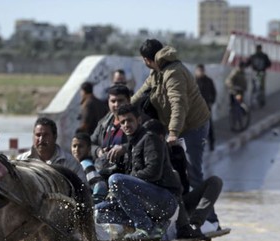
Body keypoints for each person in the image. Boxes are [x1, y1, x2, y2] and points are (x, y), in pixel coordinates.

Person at [131, 39, 211, 191]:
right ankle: (185, 210)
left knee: (193, 173)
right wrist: (123, 110)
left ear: (147, 60)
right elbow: (141, 93)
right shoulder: (157, 72)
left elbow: (178, 104)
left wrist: (173, 132)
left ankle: (208, 214)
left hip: (194, 126)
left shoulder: (173, 72)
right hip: (178, 126)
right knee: (176, 171)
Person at [96, 104, 183, 241]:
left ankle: (145, 227)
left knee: (116, 180)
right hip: (146, 201)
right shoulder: (131, 144)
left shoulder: (150, 139)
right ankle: (152, 225)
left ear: (139, 120)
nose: (126, 125)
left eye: (130, 120)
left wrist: (124, 181)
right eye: (123, 122)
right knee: (99, 211)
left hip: (165, 200)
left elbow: (153, 172)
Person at [17, 116, 86, 182]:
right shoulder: (21, 161)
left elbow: (83, 189)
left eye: (45, 135)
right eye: (38, 135)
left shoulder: (70, 163)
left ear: (55, 137)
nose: (41, 139)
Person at [90, 84, 131, 173]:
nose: (116, 104)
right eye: (113, 101)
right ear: (108, 102)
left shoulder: (137, 121)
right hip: (105, 169)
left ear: (128, 101)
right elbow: (91, 143)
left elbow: (146, 143)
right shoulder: (103, 123)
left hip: (128, 172)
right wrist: (98, 151)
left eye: (120, 100)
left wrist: (124, 148)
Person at [71, 132, 107, 204]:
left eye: (80, 146)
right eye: (74, 146)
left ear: (89, 149)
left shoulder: (86, 165)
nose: (76, 150)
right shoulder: (76, 165)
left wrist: (94, 203)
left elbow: (100, 185)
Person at [194, 64, 217, 151]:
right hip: (195, 108)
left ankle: (212, 144)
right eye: (198, 71)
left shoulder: (208, 81)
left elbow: (214, 93)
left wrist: (212, 102)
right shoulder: (193, 81)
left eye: (201, 71)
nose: (200, 73)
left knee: (209, 126)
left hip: (206, 107)